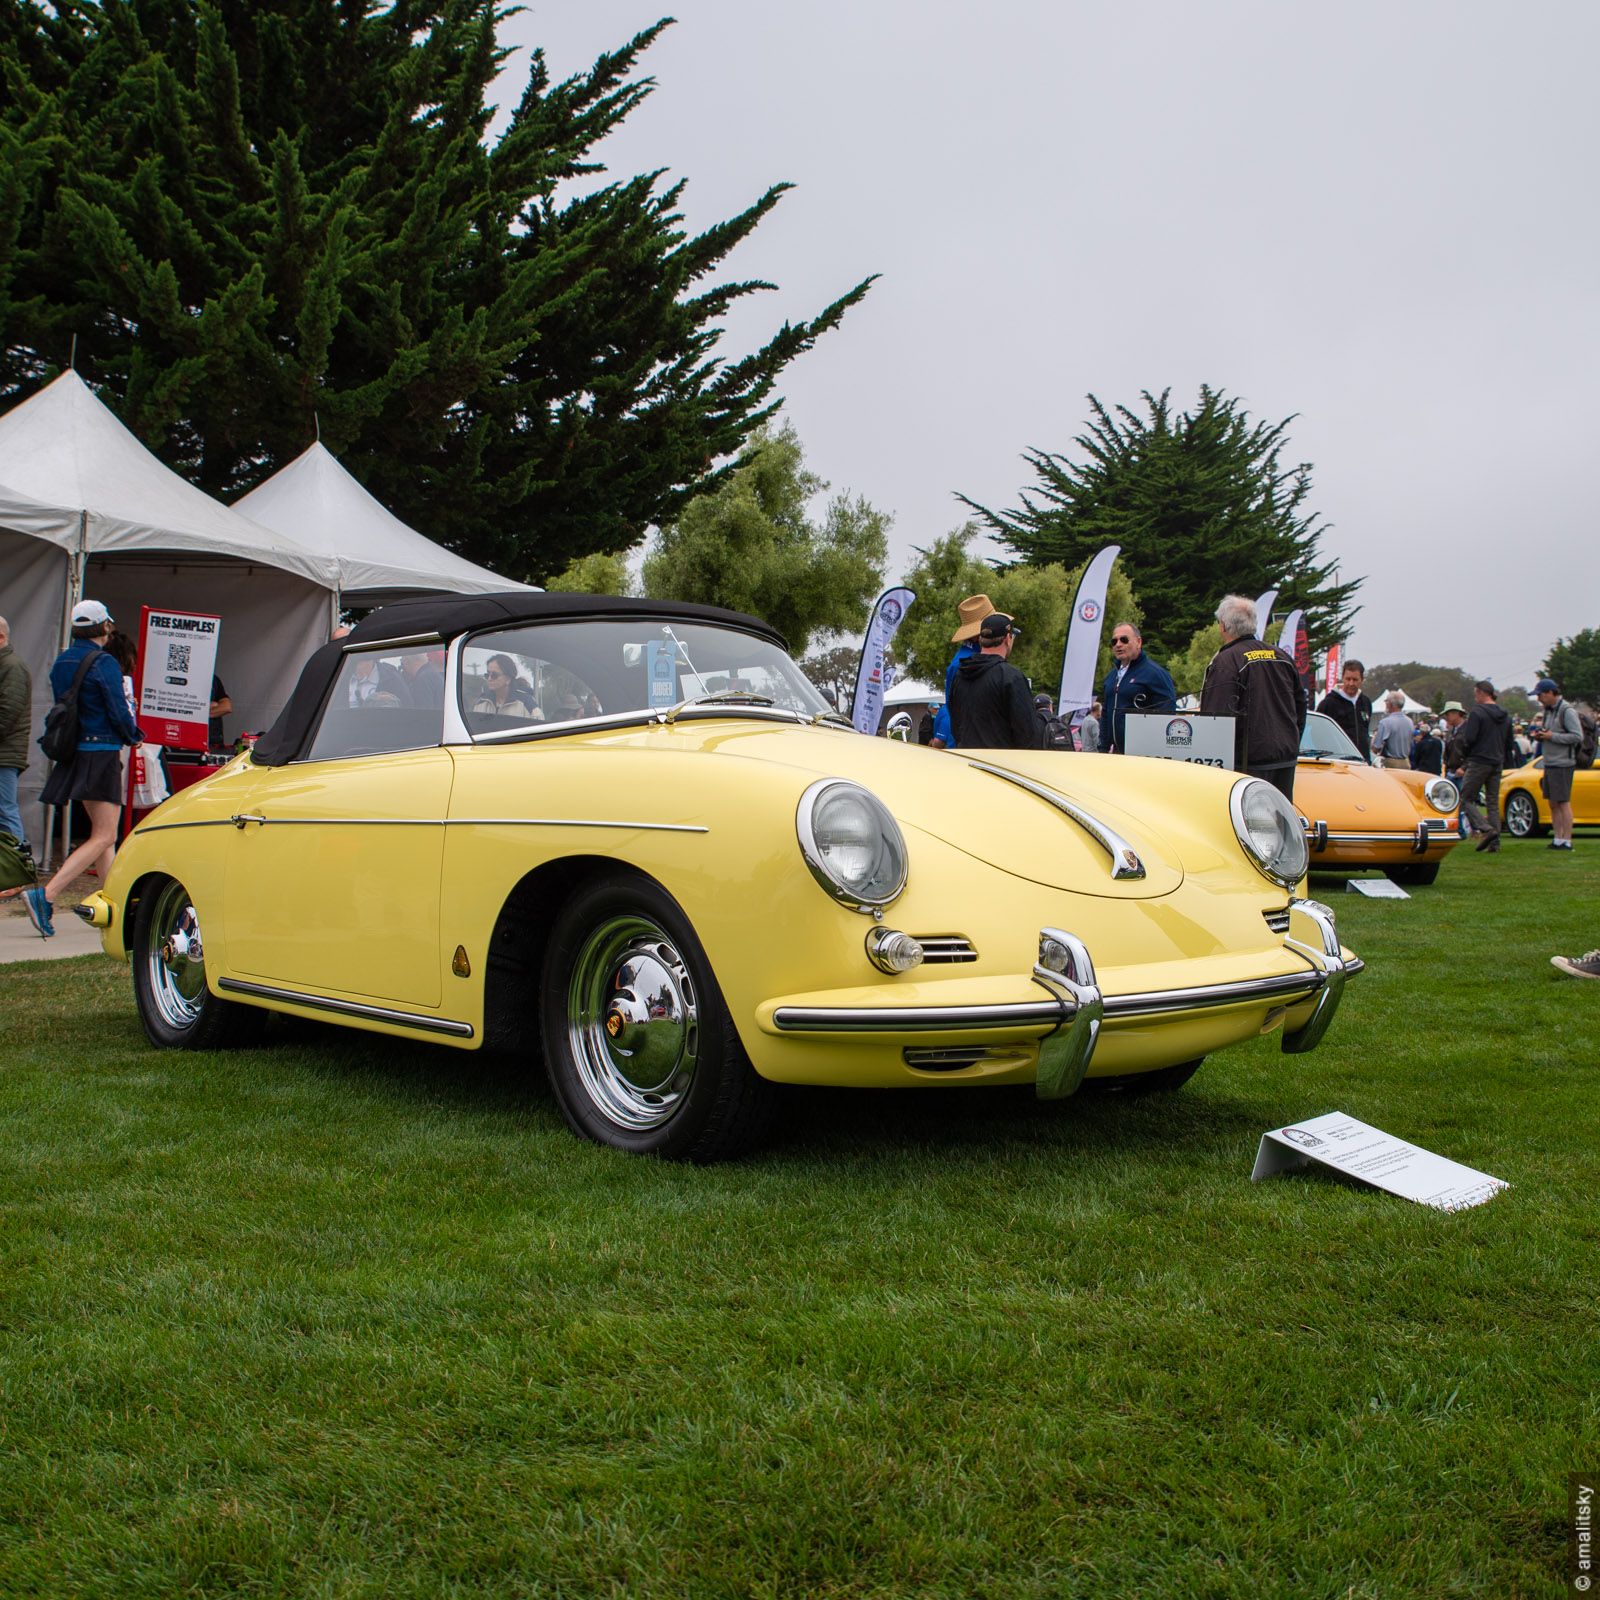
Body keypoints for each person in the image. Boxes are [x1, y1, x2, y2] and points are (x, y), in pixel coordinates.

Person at [21, 600, 145, 939]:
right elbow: (116, 707)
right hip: (102, 751)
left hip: (76, 751)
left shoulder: (62, 660)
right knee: (104, 835)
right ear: (104, 627)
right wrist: (133, 735)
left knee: (105, 836)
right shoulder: (103, 662)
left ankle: (114, 907)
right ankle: (46, 895)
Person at [1199, 594, 1308, 800]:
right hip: (1284, 760)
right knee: (1279, 824)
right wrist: (1291, 742)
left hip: (1246, 764)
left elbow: (1215, 718)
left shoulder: (1226, 661)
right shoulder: (1283, 657)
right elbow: (1301, 708)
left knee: (1246, 827)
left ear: (1223, 626)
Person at [948, 613, 1040, 749]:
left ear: (981, 640)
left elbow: (956, 726)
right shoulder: (1011, 677)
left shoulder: (960, 675)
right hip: (999, 765)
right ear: (1008, 639)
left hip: (968, 761)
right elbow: (1028, 734)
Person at [1097, 622, 1176, 753]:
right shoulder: (1111, 676)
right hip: (1115, 754)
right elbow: (1105, 714)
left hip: (1143, 754)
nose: (1118, 644)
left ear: (1138, 642)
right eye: (1114, 641)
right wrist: (1103, 748)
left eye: (1124, 639)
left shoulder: (1155, 674)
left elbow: (1167, 714)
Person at [927, 593, 992, 750]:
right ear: (979, 634)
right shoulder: (963, 663)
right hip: (969, 746)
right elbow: (958, 710)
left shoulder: (969, 657)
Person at [1455, 680, 1512, 852]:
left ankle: (1486, 829)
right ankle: (1495, 844)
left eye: (1476, 693)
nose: (1475, 697)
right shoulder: (1505, 715)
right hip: (1497, 760)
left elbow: (1470, 738)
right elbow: (1509, 741)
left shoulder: (1478, 713)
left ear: (1481, 693)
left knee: (1465, 798)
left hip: (1479, 760)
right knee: (1492, 802)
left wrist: (1466, 753)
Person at [1530, 677, 1581, 850]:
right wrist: (1541, 735)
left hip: (1563, 762)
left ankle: (1567, 840)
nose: (1539, 699)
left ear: (1551, 693)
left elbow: (1576, 736)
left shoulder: (1566, 710)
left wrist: (1552, 736)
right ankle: (1557, 838)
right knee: (1553, 803)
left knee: (1563, 802)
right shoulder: (1548, 710)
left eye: (1541, 695)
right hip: (1550, 762)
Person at [0, 614, 34, 866]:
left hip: (5, 754)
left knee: (6, 810)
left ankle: (19, 868)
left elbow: (7, 713)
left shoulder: (12, 666)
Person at [1317, 659, 1373, 763]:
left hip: (1363, 762)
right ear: (1342, 678)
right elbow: (1317, 732)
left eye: (1355, 679)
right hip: (1338, 762)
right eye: (1348, 679)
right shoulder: (1328, 703)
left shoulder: (1366, 702)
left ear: (1362, 680)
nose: (1351, 683)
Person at [470, 653, 537, 718]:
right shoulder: (481, 702)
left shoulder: (527, 704)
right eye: (487, 675)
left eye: (494, 675)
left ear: (508, 679)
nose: (489, 679)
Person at [1371, 692, 1414, 768]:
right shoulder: (1410, 721)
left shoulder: (1385, 722)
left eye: (1386, 701)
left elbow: (1376, 747)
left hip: (1390, 764)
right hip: (1406, 763)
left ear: (1390, 704)